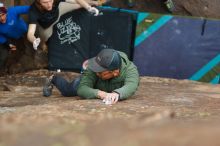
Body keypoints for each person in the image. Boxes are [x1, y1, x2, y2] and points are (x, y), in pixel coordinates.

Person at [43, 49, 140, 104]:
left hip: (106, 89)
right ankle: (53, 78)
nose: (96, 72)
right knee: (67, 91)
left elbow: (131, 85)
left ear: (115, 72)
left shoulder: (130, 69)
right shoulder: (95, 66)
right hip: (92, 85)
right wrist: (102, 94)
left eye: (100, 72)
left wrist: (117, 94)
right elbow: (82, 89)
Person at [27, 0, 106, 50]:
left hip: (59, 11)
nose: (49, 5)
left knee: (80, 4)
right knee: (43, 37)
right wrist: (34, 40)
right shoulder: (33, 10)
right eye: (45, 2)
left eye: (50, 0)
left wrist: (89, 8)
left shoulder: (54, 2)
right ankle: (42, 46)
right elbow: (30, 33)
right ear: (38, 2)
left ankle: (96, 2)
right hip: (47, 26)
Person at [0, 3, 30, 70]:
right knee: (8, 55)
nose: (1, 18)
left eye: (3, 15)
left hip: (25, 33)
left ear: (6, 12)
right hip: (12, 39)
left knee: (30, 49)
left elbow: (29, 8)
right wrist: (7, 43)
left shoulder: (12, 11)